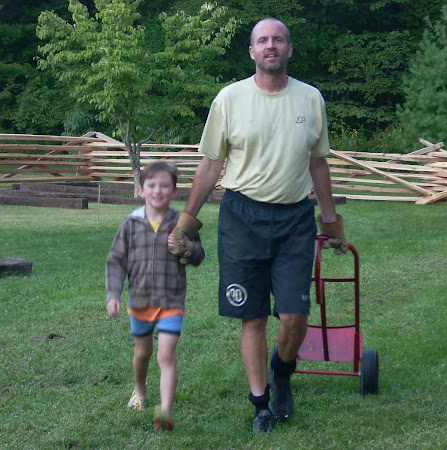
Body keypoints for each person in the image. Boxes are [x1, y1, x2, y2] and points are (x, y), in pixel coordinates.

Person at [169, 17, 348, 434]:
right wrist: (186, 223)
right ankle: (261, 403)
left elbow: (318, 162)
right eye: (262, 40)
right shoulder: (229, 99)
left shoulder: (310, 99)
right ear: (251, 51)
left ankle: (282, 371)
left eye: (278, 40)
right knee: (252, 317)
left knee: (293, 315)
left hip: (294, 220)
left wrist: (331, 219)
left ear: (289, 49)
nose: (271, 46)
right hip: (242, 217)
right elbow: (211, 163)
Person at [106, 161, 205, 432]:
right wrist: (113, 294)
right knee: (143, 352)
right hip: (139, 301)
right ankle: (140, 390)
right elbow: (116, 261)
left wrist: (188, 247)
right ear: (141, 190)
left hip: (171, 301)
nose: (158, 190)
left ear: (174, 191)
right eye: (152, 185)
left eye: (165, 186)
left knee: (166, 354)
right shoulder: (131, 223)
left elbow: (198, 256)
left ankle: (165, 411)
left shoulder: (181, 224)